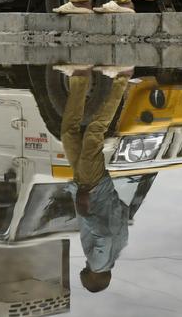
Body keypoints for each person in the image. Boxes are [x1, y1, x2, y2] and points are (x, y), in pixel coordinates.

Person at [57, 63, 133, 293]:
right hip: (90, 187)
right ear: (93, 280)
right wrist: (85, 210)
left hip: (93, 185)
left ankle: (80, 78)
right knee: (95, 131)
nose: (81, 275)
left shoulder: (119, 248)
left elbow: (123, 211)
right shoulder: (98, 263)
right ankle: (122, 78)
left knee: (69, 134)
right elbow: (103, 236)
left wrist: (106, 197)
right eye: (84, 280)